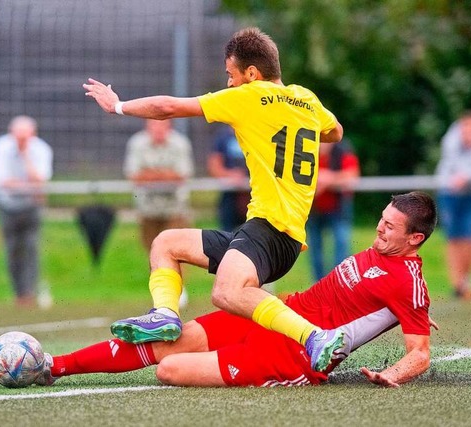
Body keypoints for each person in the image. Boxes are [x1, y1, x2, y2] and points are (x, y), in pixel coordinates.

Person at [83, 27, 345, 372]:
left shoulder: (248, 97)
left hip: (272, 230)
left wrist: (116, 106)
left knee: (226, 293)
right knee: (166, 244)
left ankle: (315, 337)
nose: (230, 83)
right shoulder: (306, 99)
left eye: (230, 75)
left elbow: (167, 107)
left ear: (252, 73)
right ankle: (165, 315)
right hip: (265, 230)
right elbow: (335, 131)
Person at [33, 191, 438, 388]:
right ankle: (53, 366)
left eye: (390, 225)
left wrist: (392, 374)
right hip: (277, 313)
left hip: (295, 355)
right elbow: (388, 304)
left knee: (169, 370)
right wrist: (406, 311)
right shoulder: (384, 257)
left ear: (415, 238)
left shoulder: (408, 281)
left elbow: (419, 351)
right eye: (382, 219)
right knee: (173, 340)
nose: (379, 228)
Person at [0, 115, 53, 307]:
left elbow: (41, 180)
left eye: (25, 137)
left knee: (31, 248)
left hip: (31, 207)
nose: (21, 141)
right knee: (13, 250)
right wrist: (30, 186)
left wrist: (25, 156)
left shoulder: (40, 149)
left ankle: (29, 293)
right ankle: (18, 292)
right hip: (7, 206)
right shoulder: (1, 147)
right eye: (18, 136)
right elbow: (2, 182)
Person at [435, 110, 471, 300]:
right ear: (461, 128)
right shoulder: (451, 140)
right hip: (449, 192)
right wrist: (470, 174)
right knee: (453, 238)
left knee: (469, 237)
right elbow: (455, 168)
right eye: (467, 128)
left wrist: (470, 175)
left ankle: (466, 280)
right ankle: (457, 284)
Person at [124, 119, 194, 251]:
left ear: (169, 126)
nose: (158, 129)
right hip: (147, 209)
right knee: (152, 254)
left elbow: (182, 175)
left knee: (177, 253)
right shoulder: (137, 143)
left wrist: (149, 174)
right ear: (147, 126)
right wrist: (167, 174)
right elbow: (134, 176)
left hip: (175, 209)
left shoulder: (180, 143)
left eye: (162, 124)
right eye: (154, 125)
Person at [306, 138, 360, 280]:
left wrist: (328, 178)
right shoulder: (306, 150)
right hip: (314, 209)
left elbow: (352, 175)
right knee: (314, 249)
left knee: (341, 245)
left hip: (338, 208)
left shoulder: (343, 150)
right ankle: (318, 286)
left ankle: (339, 283)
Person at [207, 125, 249, 232]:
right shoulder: (222, 137)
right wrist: (230, 175)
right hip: (229, 196)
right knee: (226, 234)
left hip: (253, 195)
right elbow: (213, 166)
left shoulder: (254, 134)